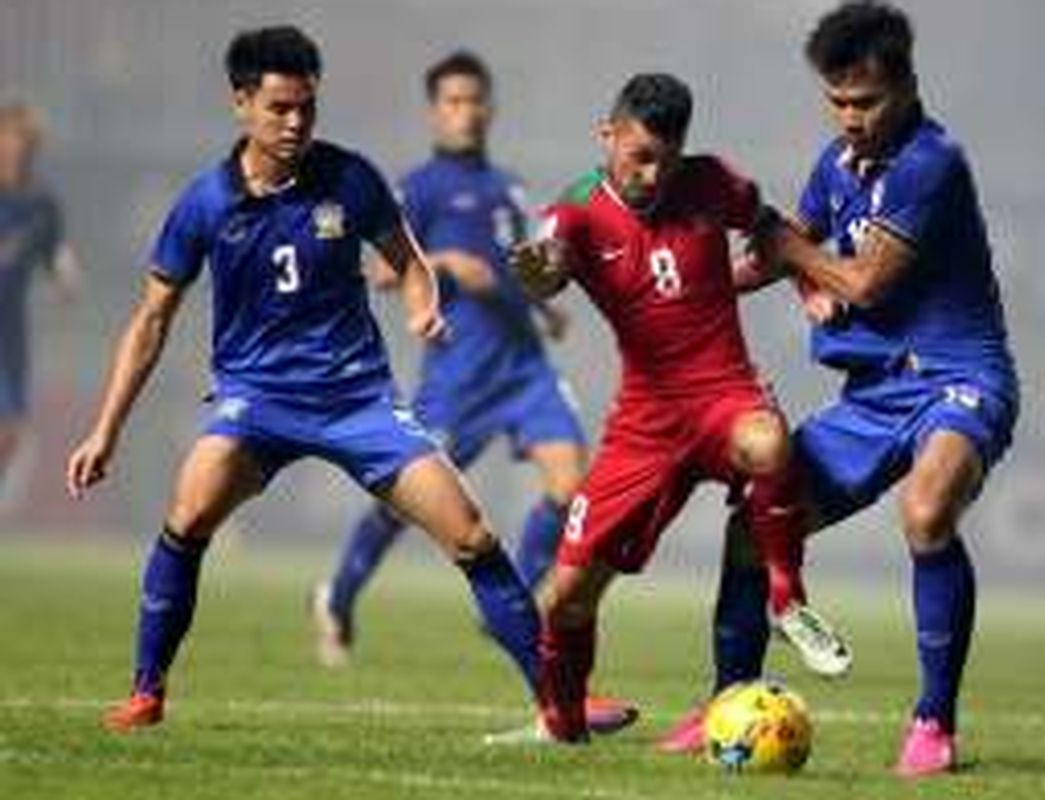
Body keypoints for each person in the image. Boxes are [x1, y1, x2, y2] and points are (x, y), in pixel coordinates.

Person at [64, 26, 634, 735]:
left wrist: (424, 303)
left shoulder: (350, 178)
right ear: (241, 102)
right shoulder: (205, 204)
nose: (296, 122)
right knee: (187, 517)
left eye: (306, 106)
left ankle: (561, 706)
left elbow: (410, 260)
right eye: (279, 108)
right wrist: (105, 429)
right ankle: (146, 692)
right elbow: (151, 321)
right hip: (258, 401)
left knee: (472, 536)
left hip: (359, 400)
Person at [660, 2, 1020, 777]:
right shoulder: (837, 164)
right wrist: (676, 284)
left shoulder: (932, 162)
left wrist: (787, 244)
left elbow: (858, 279)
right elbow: (779, 258)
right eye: (838, 102)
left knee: (925, 513)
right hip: (874, 397)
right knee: (752, 525)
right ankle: (730, 699)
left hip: (961, 381)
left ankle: (933, 724)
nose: (851, 118)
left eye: (866, 101)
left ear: (907, 86)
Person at [498, 72, 851, 744]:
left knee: (769, 445)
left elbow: (770, 227)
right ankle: (560, 724)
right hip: (645, 422)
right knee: (567, 597)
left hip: (724, 393)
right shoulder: (576, 210)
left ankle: (786, 597)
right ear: (608, 135)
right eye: (639, 157)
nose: (652, 174)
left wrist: (806, 277)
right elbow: (546, 263)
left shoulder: (713, 181)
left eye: (666, 157)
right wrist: (537, 273)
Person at [311, 51, 587, 669]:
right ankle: (337, 595)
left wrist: (544, 307)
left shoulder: (508, 187)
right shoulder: (417, 188)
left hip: (524, 366)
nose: (466, 112)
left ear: (490, 106)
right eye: (453, 102)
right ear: (435, 112)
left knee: (571, 487)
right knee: (402, 504)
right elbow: (382, 271)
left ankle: (515, 605)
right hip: (458, 374)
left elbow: (517, 269)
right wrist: (447, 266)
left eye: (475, 100)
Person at [0, 102, 82, 492]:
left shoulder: (41, 202)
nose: (16, 148)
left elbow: (56, 249)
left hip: (11, 329)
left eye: (25, 141)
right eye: (10, 138)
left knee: (11, 432)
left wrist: (64, 273)